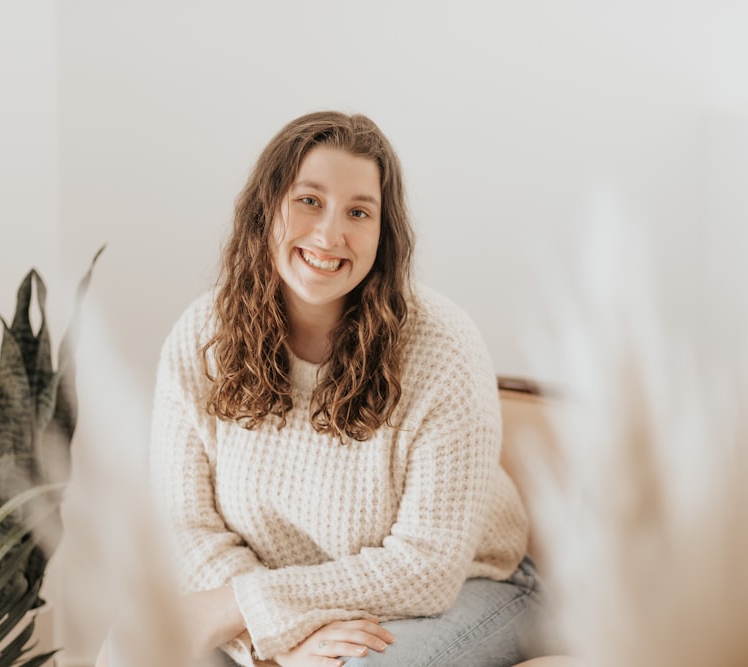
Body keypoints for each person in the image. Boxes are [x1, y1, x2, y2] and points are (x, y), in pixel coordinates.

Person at [148, 110, 551, 667]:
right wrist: (280, 638)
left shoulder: (442, 348)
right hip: (279, 602)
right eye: (308, 200)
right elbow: (186, 527)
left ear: (383, 234)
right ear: (267, 207)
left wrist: (260, 612)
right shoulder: (201, 339)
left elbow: (427, 568)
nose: (329, 234)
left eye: (358, 212)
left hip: (469, 588)